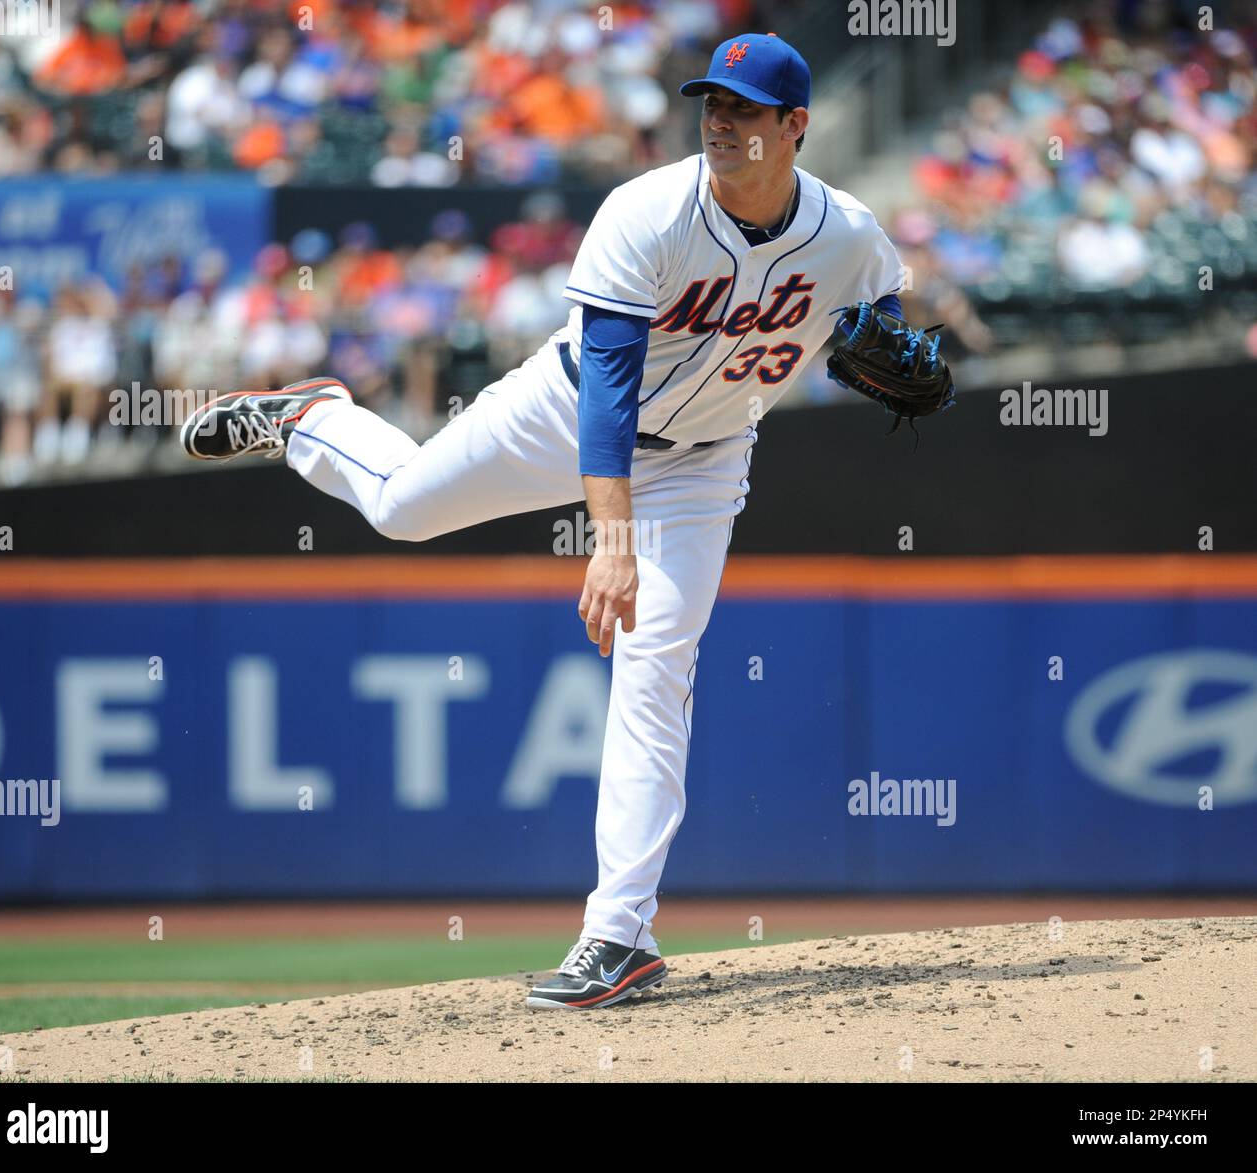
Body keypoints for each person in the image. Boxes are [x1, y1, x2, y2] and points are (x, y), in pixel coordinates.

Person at [180, 33, 907, 1010]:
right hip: (563, 411)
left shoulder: (848, 232)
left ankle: (620, 936)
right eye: (711, 103)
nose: (720, 121)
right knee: (400, 510)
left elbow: (885, 321)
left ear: (795, 126)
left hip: (706, 462)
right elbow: (606, 394)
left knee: (656, 663)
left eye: (743, 107)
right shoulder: (646, 213)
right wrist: (609, 547)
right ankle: (314, 415)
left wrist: (906, 360)